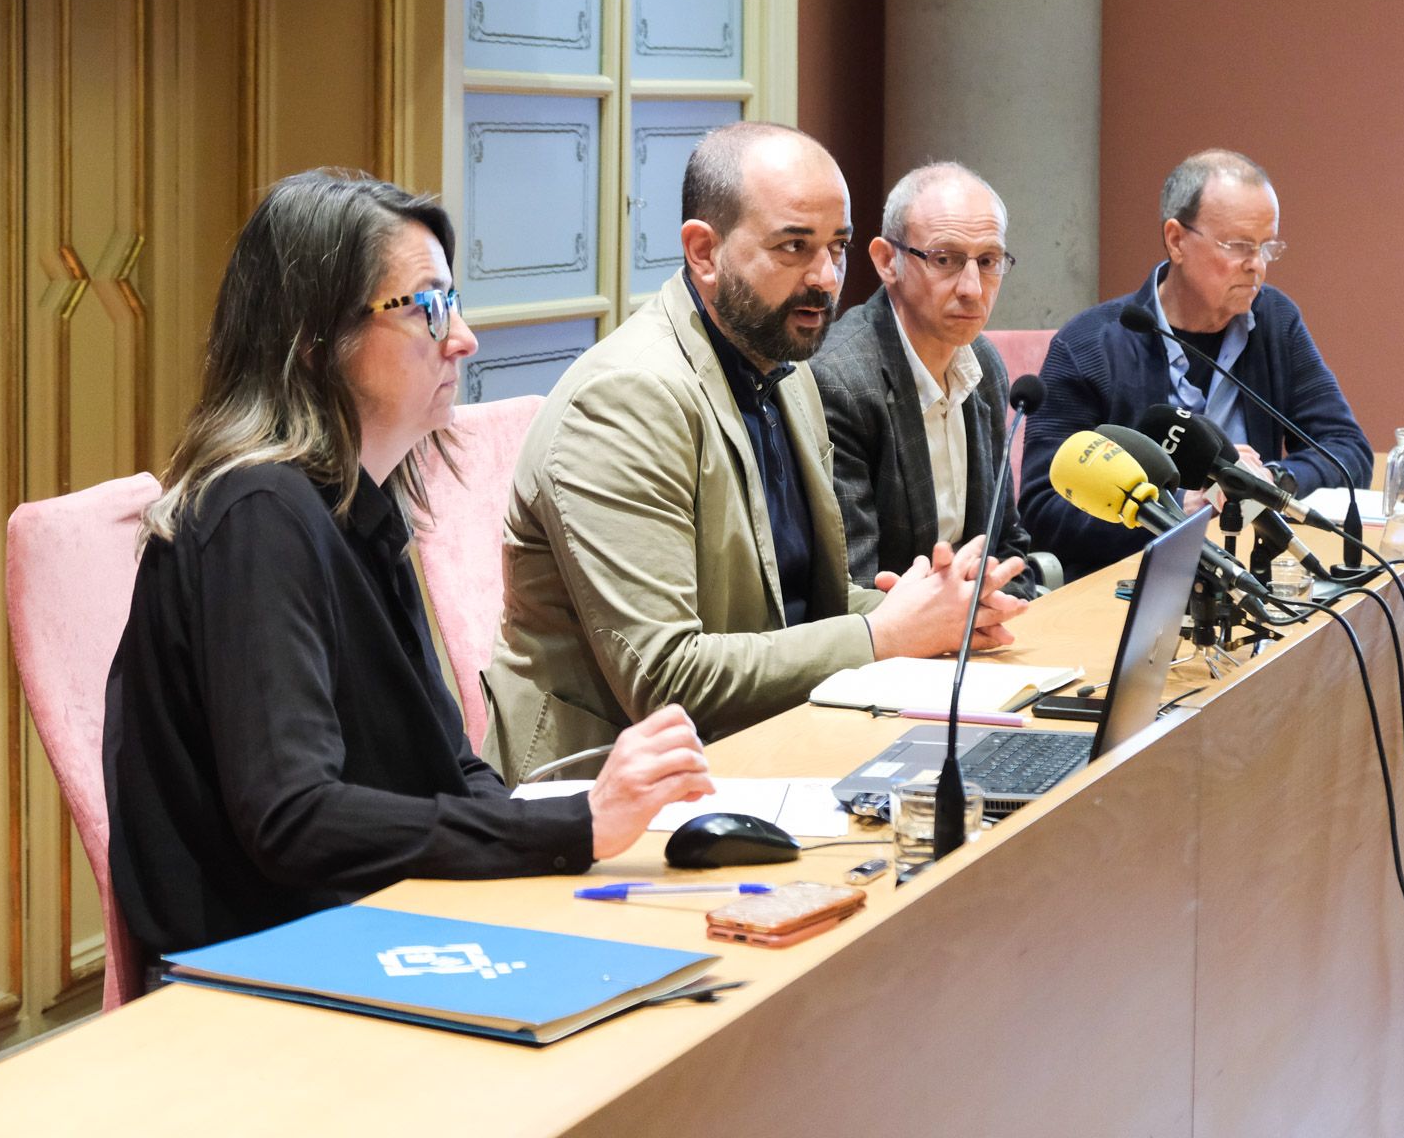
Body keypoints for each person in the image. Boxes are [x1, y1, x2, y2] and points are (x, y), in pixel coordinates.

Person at [103, 170, 714, 960]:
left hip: (369, 922)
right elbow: (295, 818)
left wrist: (546, 853)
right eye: (428, 306)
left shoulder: (357, 500)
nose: (463, 337)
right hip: (260, 971)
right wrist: (571, 825)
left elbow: (448, 759)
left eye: (452, 302)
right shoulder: (257, 517)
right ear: (317, 339)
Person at [482, 123, 1028, 783]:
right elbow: (665, 679)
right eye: (794, 247)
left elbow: (797, 610)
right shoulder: (624, 402)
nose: (826, 279)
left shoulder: (786, 371)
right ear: (703, 251)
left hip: (767, 748)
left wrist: (935, 609)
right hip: (604, 793)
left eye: (838, 247)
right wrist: (885, 634)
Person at [1019, 149, 1372, 580]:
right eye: (1239, 246)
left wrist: (1269, 482)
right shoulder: (1089, 346)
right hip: (1133, 584)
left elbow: (1345, 447)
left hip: (1254, 570)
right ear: (1176, 240)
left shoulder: (1275, 321)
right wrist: (1170, 512)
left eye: (1266, 247)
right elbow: (1043, 508)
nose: (1256, 266)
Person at [811, 162, 1036, 598]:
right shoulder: (840, 382)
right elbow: (854, 586)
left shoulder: (983, 365)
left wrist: (1003, 606)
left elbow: (1008, 546)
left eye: (988, 261)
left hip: (977, 633)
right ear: (886, 261)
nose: (972, 288)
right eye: (946, 260)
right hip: (889, 648)